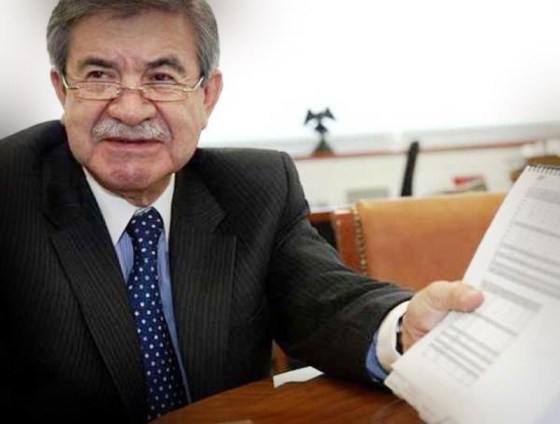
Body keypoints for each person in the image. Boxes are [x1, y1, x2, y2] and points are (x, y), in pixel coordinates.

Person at [0, 0, 483, 422]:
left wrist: (401, 327)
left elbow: (323, 302)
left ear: (207, 96)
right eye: (99, 76)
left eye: (161, 78)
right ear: (62, 90)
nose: (130, 109)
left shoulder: (255, 189)